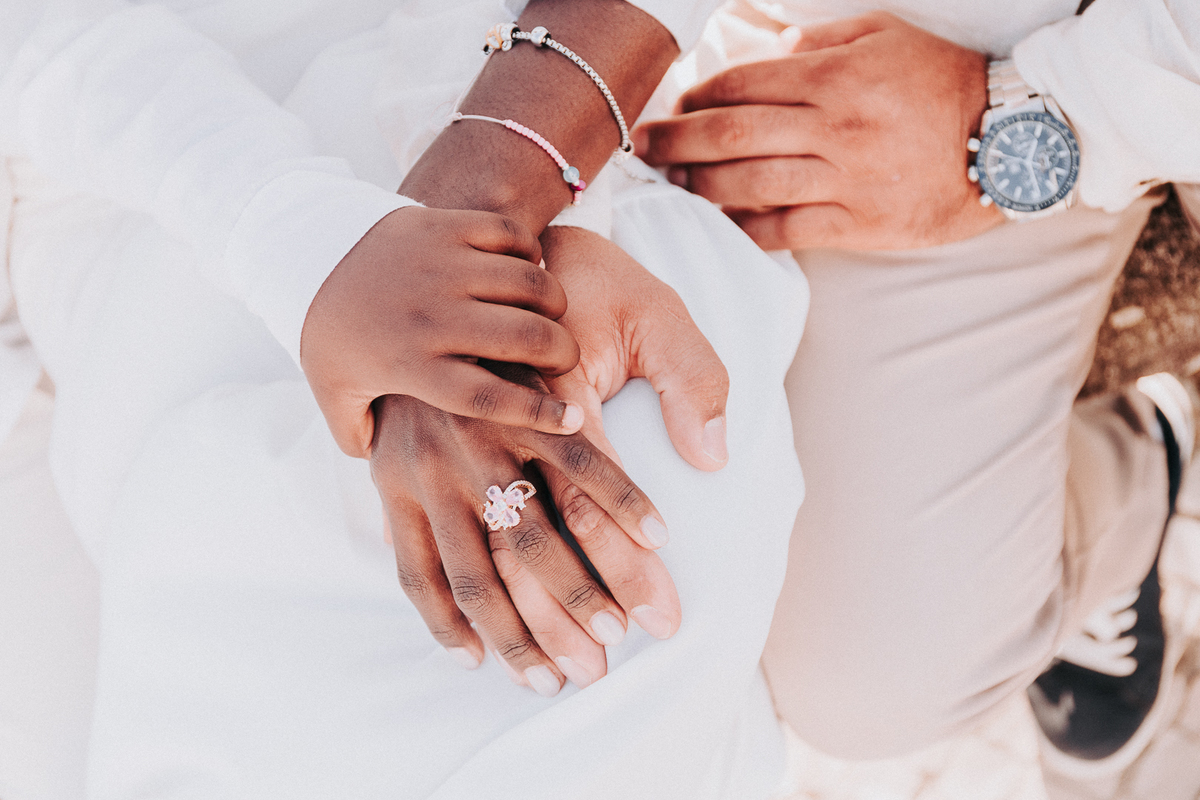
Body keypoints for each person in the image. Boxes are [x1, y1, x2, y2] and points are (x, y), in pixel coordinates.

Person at [0, 0, 810, 797]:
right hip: (154, 169)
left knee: (644, 540)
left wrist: (476, 239)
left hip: (521, 96)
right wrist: (340, 253)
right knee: (644, 556)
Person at [636, 0, 1200, 778]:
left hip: (1027, 51)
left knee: (870, 679)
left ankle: (1128, 478)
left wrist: (1033, 109)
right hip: (679, 52)